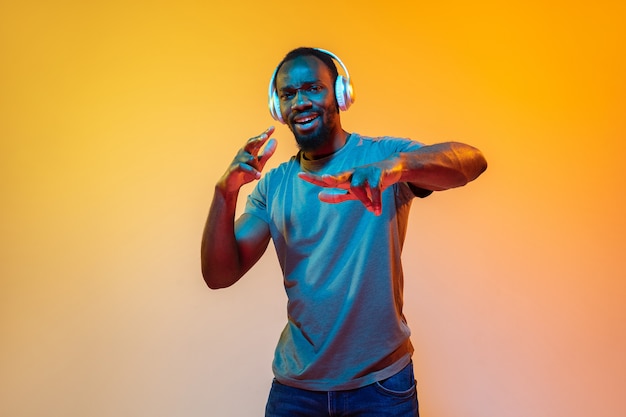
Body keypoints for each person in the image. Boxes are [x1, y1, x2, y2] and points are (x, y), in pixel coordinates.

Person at [201, 47, 487, 417]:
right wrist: (225, 192)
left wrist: (399, 168)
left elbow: (472, 162)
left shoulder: (384, 156)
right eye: (289, 94)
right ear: (278, 107)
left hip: (382, 388)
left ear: (340, 94)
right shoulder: (273, 186)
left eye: (313, 89)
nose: (301, 102)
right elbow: (219, 274)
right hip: (296, 392)